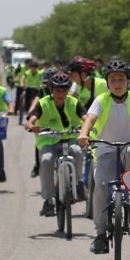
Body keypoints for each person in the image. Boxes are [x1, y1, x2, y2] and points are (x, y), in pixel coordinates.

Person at [78, 60, 130, 255]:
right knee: (100, 186)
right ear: (107, 83)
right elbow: (90, 119)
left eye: (121, 79)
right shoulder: (101, 100)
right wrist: (84, 134)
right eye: (112, 80)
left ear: (128, 81)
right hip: (105, 149)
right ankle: (100, 234)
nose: (117, 83)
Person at [24, 71, 87, 218]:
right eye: (57, 90)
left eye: (64, 90)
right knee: (46, 160)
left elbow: (86, 117)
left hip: (70, 137)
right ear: (51, 89)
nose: (61, 93)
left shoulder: (74, 102)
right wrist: (31, 126)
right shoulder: (43, 103)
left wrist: (87, 127)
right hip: (48, 140)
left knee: (77, 152)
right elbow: (31, 119)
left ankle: (78, 183)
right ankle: (48, 201)